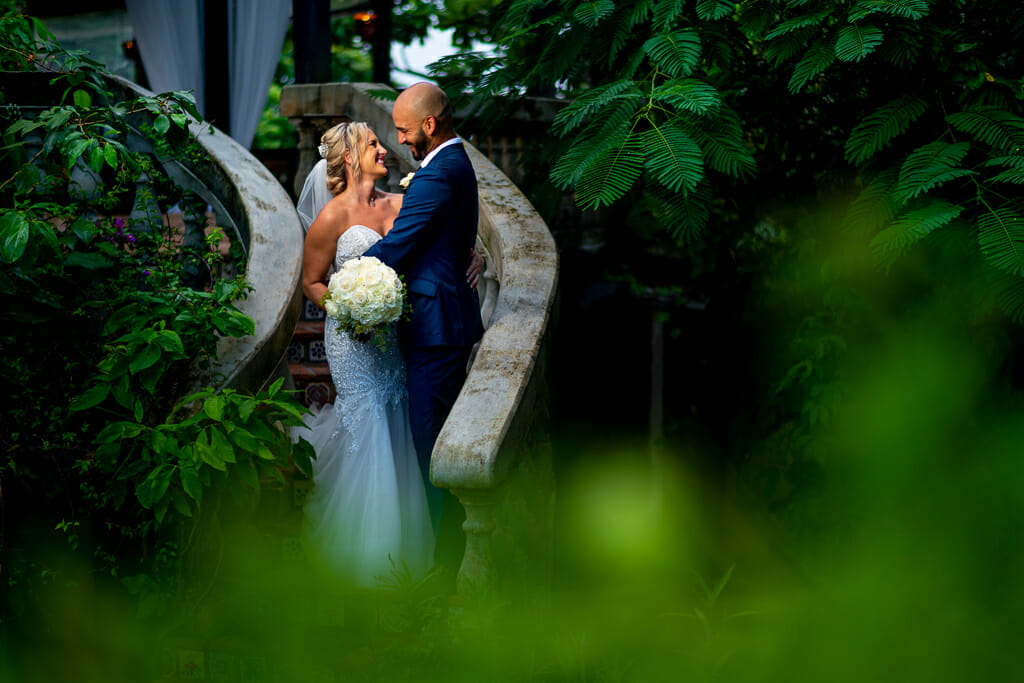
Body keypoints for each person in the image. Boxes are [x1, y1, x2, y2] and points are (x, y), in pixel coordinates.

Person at [294, 120, 481, 586]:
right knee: (371, 422)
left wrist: (473, 254)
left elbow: (443, 237)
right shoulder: (332, 217)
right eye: (373, 143)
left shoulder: (403, 202)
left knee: (400, 419)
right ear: (351, 157)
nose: (386, 149)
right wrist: (347, 307)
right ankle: (365, 561)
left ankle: (410, 553)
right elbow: (311, 281)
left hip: (396, 337)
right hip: (353, 340)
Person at [362, 83, 485, 538]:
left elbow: (401, 245)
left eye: (404, 130)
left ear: (429, 125)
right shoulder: (455, 162)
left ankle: (446, 562)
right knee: (435, 444)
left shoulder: (436, 174)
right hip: (445, 322)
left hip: (436, 331)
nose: (399, 141)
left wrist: (351, 276)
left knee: (431, 449)